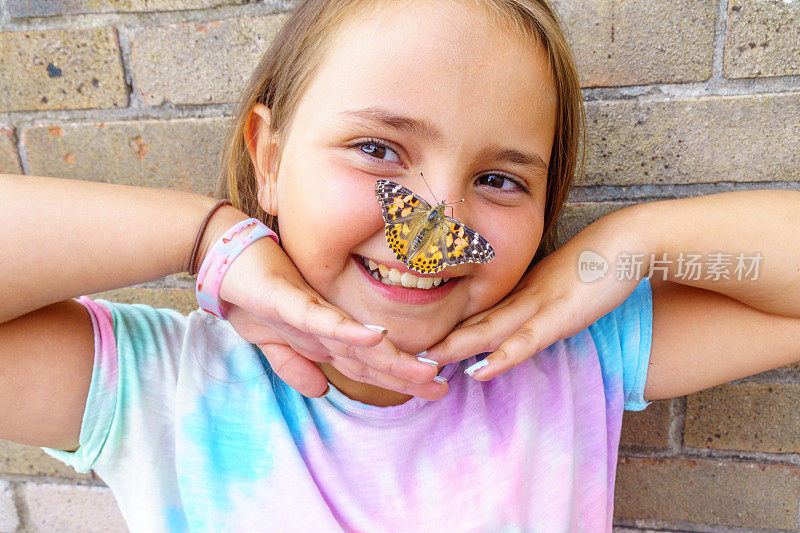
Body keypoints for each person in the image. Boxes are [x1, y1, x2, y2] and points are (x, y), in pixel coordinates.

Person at [1, 0, 799, 531]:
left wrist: (631, 245)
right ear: (268, 157)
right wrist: (205, 236)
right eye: (378, 149)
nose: (437, 231)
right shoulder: (160, 390)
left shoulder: (574, 356)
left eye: (499, 180)